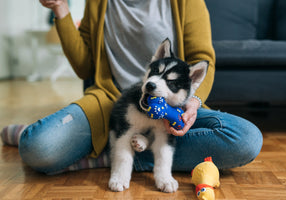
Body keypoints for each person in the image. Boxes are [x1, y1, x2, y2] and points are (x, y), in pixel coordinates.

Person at [1, 0, 263, 175]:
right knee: (37, 148)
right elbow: (84, 67)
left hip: (171, 108)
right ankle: (113, 147)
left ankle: (112, 154)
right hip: (111, 104)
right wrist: (60, 8)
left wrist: (192, 104)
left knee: (245, 140)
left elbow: (203, 60)